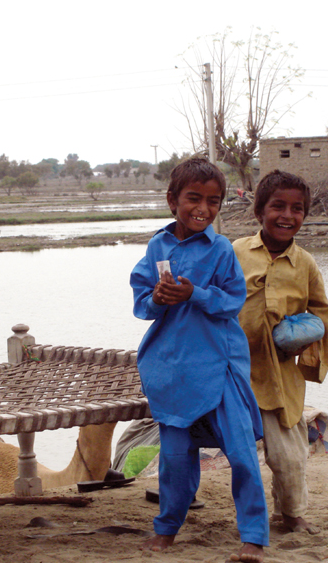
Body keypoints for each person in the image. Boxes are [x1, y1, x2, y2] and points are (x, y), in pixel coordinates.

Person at [130, 156, 268, 562]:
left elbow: (232, 300)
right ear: (173, 200)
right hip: (171, 368)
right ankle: (168, 527)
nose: (203, 209)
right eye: (194, 198)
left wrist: (196, 294)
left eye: (214, 201)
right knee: (174, 459)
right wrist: (158, 296)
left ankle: (254, 537)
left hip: (219, 364)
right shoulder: (158, 245)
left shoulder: (221, 249)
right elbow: (142, 300)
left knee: (241, 453)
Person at [232, 170, 328, 535]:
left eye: (298, 209)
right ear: (259, 211)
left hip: (279, 375)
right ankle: (182, 505)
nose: (287, 215)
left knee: (289, 455)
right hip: (234, 371)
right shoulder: (235, 252)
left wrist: (303, 340)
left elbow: (321, 312)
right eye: (278, 206)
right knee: (222, 449)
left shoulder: (305, 263)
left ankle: (291, 514)